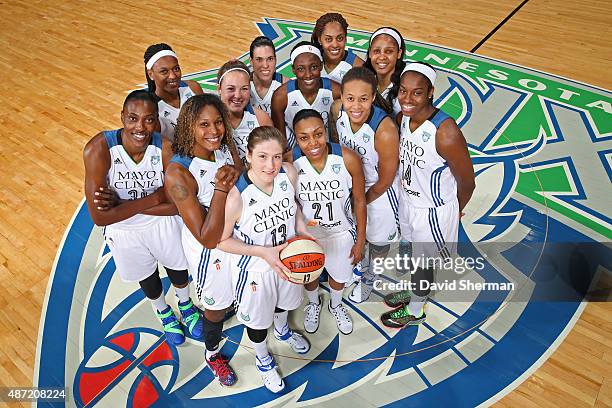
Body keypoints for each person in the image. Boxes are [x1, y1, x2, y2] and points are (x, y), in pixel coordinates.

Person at [83, 90, 203, 347]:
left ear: (157, 120)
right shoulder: (98, 149)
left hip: (159, 221)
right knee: (146, 274)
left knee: (178, 265)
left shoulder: (165, 148)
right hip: (124, 231)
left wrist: (124, 206)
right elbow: (99, 217)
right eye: (133, 118)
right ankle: (163, 311)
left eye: (149, 119)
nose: (140, 127)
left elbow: (176, 208)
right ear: (122, 117)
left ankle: (186, 303)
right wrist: (156, 197)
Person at [380, 62, 475, 328]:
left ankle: (416, 309)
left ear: (431, 92)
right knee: (411, 253)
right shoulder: (403, 118)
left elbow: (467, 181)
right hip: (408, 202)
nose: (407, 99)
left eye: (417, 93)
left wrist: (455, 211)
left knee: (424, 263)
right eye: (403, 91)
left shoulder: (445, 132)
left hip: (432, 210)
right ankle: (414, 293)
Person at [218, 126, 311, 393]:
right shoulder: (237, 195)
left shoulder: (288, 175)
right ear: (248, 156)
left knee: (285, 304)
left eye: (277, 157)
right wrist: (263, 252)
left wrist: (303, 230)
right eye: (262, 156)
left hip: (289, 261)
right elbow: (222, 241)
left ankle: (282, 332)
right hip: (255, 271)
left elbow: (295, 211)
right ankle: (262, 358)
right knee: (258, 323)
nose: (270, 165)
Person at [164, 94, 241, 385]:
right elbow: (207, 238)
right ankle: (212, 354)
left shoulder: (222, 147)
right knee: (215, 309)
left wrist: (238, 172)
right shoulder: (179, 173)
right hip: (209, 252)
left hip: (234, 238)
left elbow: (239, 177)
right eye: (204, 124)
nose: (214, 130)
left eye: (218, 122)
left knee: (235, 291)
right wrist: (222, 189)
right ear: (188, 127)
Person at [292, 109, 366, 335]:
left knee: (340, 276)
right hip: (309, 236)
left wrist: (360, 239)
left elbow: (360, 201)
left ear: (326, 130)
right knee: (310, 276)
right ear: (296, 138)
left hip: (341, 233)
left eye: (318, 134)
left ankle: (336, 303)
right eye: (304, 137)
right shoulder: (290, 163)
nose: (313, 142)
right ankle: (314, 303)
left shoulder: (348, 159)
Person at [330, 66, 401, 303]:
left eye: (363, 99)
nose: (356, 106)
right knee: (357, 232)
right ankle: (358, 267)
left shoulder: (385, 130)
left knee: (378, 241)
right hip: (354, 186)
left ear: (372, 97)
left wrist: (360, 200)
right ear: (341, 96)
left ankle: (371, 276)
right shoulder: (338, 111)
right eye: (350, 98)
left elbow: (387, 179)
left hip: (380, 192)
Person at [271, 41, 341, 151]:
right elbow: (281, 139)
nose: (308, 75)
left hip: (327, 146)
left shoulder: (336, 91)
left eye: (313, 67)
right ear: (293, 69)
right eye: (300, 69)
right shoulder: (281, 96)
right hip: (296, 149)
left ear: (321, 66)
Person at [144, 43, 204, 141]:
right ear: (150, 74)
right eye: (164, 71)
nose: (173, 76)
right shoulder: (150, 108)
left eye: (176, 69)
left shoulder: (193, 88)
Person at [218, 60, 273, 164]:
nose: (238, 95)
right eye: (231, 88)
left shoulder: (261, 119)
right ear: (219, 89)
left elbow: (271, 156)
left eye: (244, 89)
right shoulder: (209, 120)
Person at [363, 27, 406, 116]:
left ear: (399, 53)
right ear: (370, 53)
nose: (382, 57)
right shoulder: (362, 80)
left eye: (389, 51)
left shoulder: (405, 88)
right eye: (377, 51)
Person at [312, 12, 364, 84]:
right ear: (320, 40)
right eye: (328, 39)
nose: (335, 45)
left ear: (345, 38)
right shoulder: (311, 58)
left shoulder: (358, 68)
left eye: (340, 38)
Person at [249, 36, 287, 115]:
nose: (265, 65)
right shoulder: (242, 86)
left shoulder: (287, 86)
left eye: (270, 59)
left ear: (275, 60)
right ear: (251, 61)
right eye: (259, 59)